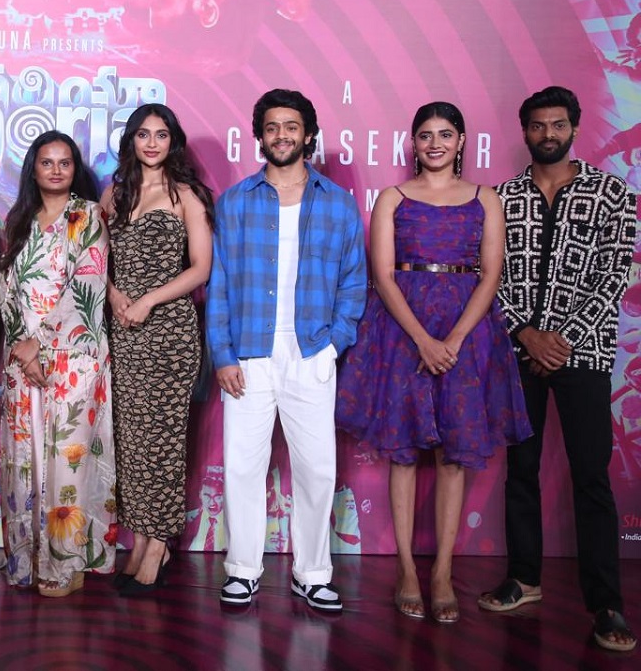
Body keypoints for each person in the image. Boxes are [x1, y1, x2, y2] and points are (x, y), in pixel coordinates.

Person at [335, 102, 531, 623]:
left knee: (452, 456)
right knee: (402, 454)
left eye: (445, 134)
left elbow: (491, 274)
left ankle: (442, 571)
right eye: (426, 135)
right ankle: (405, 569)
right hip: (403, 332)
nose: (435, 143)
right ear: (414, 143)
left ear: (461, 140)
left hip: (468, 334)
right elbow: (383, 275)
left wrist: (455, 339)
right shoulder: (393, 198)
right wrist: (422, 339)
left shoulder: (485, 198)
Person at [477, 86, 637, 653]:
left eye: (558, 124)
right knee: (520, 468)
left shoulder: (611, 194)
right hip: (517, 351)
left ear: (574, 128)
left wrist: (562, 340)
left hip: (583, 353)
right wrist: (525, 333)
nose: (549, 134)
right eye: (539, 125)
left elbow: (614, 275)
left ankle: (607, 603)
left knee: (591, 475)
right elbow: (489, 274)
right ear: (525, 131)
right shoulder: (502, 199)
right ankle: (524, 578)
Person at [206, 89, 366, 612]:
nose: (281, 135)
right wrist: (223, 354)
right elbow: (220, 284)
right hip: (247, 354)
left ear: (308, 134)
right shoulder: (235, 202)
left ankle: (312, 573)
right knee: (243, 467)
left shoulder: (338, 203)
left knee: (317, 468)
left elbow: (353, 282)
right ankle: (242, 570)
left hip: (312, 352)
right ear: (260, 136)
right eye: (272, 127)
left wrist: (333, 345)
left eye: (291, 126)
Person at [0, 130, 115, 597]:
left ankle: (64, 565)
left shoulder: (87, 216)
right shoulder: (19, 218)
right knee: (24, 460)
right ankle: (25, 559)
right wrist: (20, 345)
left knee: (67, 462)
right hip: (21, 361)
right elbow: (6, 288)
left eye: (65, 162)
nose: (56, 170)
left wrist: (40, 342)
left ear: (74, 168)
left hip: (72, 357)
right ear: (34, 169)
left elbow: (87, 284)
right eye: (47, 162)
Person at [104, 104, 213, 597]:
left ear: (173, 141)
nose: (152, 143)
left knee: (163, 443)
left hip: (169, 334)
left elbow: (200, 268)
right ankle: (140, 539)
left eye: (161, 134)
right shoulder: (115, 194)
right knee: (131, 442)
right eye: (143, 134)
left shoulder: (185, 194)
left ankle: (157, 545)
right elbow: (96, 259)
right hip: (122, 331)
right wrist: (115, 296)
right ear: (131, 140)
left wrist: (148, 299)